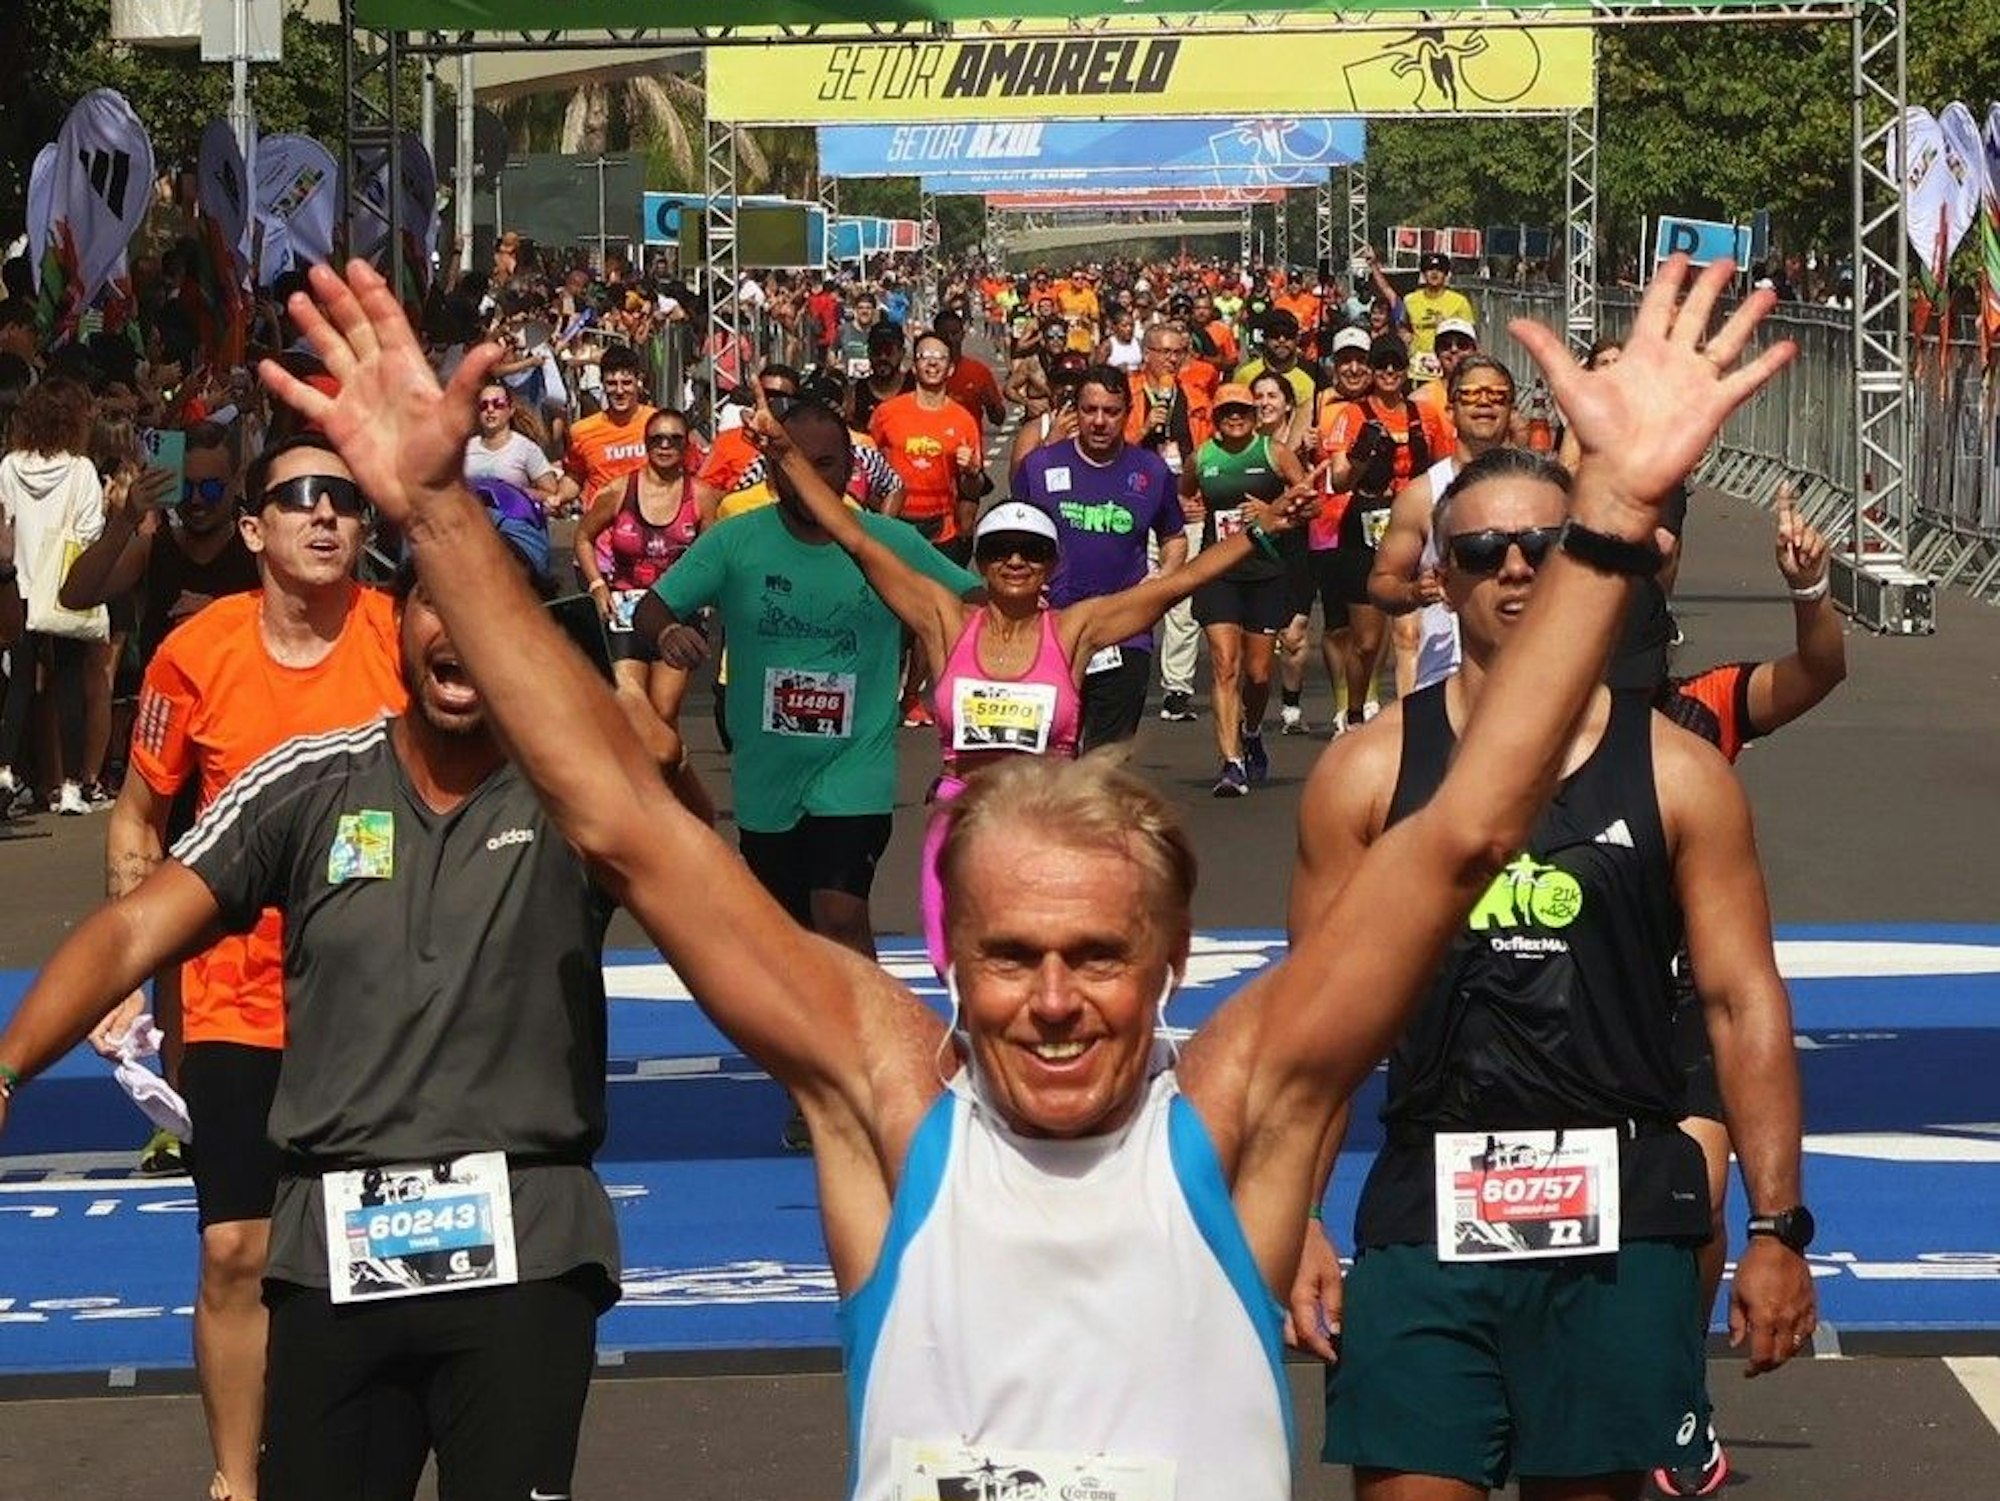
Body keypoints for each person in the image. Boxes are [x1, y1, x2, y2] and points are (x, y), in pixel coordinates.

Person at [240, 250, 1799, 1501]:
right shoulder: (889, 1097)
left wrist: (1610, 521)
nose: (1053, 1002)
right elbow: (630, 827)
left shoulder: (1242, 1112)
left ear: (1172, 960)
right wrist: (434, 514)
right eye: (1012, 957)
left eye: (1099, 956)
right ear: (954, 955)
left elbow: (1463, 828)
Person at [0, 522, 665, 1501]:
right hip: (334, 1252)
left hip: (526, 1239)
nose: (461, 626)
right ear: (400, 621)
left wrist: (662, 767)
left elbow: (723, 918)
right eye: (437, 598)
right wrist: (9, 1066)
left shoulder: (584, 793)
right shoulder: (308, 784)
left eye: (492, 604)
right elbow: (134, 932)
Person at [1287, 446, 1818, 1501]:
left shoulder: (1677, 772)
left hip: (1614, 1220)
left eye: (1546, 546)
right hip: (1425, 1207)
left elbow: (1738, 1001)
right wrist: (1292, 1217)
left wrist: (1772, 1226)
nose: (1517, 570)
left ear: (1591, 569)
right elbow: (1309, 1034)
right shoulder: (1365, 771)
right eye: (1485, 550)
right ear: (1439, 575)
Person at [91, 432, 406, 1501]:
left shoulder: (404, 641)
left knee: (371, 1255)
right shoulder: (194, 653)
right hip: (232, 996)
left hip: (379, 998)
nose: (325, 515)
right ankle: (237, 1479)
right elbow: (137, 821)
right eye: (299, 497)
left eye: (346, 499)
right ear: (254, 529)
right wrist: (131, 971)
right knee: (235, 1248)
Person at [763, 391, 1312, 972]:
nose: (1016, 561)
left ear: (1051, 563)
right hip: (961, 826)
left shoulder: (1074, 631)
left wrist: (1263, 530)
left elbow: (1176, 584)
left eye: (1032, 551)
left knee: (1036, 972)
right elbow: (856, 538)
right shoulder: (947, 622)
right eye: (1000, 550)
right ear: (981, 561)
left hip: (1049, 827)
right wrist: (784, 453)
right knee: (961, 972)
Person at [1647, 482, 1846, 1498]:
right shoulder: (1512, 728)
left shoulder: (1701, 706)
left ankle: (1676, 1395)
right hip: (1571, 998)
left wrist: (1807, 587)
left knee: (1696, 1190)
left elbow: (1818, 669)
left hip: (1686, 996)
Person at [1015, 365, 1186, 747]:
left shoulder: (1151, 471)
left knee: (1105, 760)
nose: (1099, 421)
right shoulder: (1041, 466)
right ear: (1076, 410)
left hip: (1124, 632)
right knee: (1051, 752)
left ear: (1127, 413)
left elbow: (1174, 537)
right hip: (1052, 628)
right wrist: (1026, 588)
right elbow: (1013, 536)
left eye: (1111, 411)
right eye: (1090, 410)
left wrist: (1165, 575)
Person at [1316, 335, 1453, 734]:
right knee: (1366, 641)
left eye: (1396, 364)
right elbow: (1339, 480)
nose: (1389, 372)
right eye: (1382, 365)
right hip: (1365, 524)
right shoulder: (1350, 414)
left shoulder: (1426, 415)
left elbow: (1445, 468)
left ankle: (1414, 718)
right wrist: (1360, 456)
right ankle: (1354, 710)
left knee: (1410, 631)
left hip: (1416, 521)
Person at [1180, 383, 1312, 796]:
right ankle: (1231, 763)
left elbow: (1311, 504)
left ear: (1254, 415)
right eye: (1226, 412)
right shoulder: (1201, 458)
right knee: (1224, 664)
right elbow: (1184, 494)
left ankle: (1251, 730)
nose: (1234, 418)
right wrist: (1189, 507)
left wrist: (1273, 511)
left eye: (1241, 411)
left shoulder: (1274, 453)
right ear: (1215, 419)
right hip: (1218, 571)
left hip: (1266, 572)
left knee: (1257, 675)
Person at [1368, 355, 1520, 696]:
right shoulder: (1422, 494)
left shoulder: (1536, 487)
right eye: (1469, 395)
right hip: (1447, 677)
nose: (1484, 403)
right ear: (1450, 410)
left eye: (1496, 395)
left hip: (1524, 673)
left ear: (1511, 409)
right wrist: (1412, 592)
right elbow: (1381, 582)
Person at [0, 378, 105, 815]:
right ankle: (72, 788)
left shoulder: (7, 466)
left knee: (20, 681)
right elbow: (91, 530)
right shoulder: (81, 470)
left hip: (15, 586)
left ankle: (4, 768)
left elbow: (3, 524)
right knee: (69, 684)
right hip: (64, 586)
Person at [574, 408, 701, 730]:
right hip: (626, 610)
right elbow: (584, 537)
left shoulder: (702, 496)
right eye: (656, 438)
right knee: (630, 709)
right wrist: (597, 586)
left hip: (675, 612)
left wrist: (707, 595)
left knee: (663, 712)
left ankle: (671, 771)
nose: (665, 445)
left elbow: (715, 554)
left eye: (674, 439)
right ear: (645, 443)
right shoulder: (619, 490)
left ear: (687, 445)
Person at [561, 344, 654, 501]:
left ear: (638, 382)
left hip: (649, 517)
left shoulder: (657, 424)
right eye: (611, 383)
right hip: (602, 519)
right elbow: (575, 475)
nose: (619, 391)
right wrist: (558, 497)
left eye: (626, 383)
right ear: (602, 383)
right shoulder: (581, 431)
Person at [464, 381, 561, 508]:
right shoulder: (466, 448)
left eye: (497, 404)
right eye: (484, 405)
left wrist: (518, 494)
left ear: (511, 410)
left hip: (512, 522)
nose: (490, 410)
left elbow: (551, 492)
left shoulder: (526, 448)